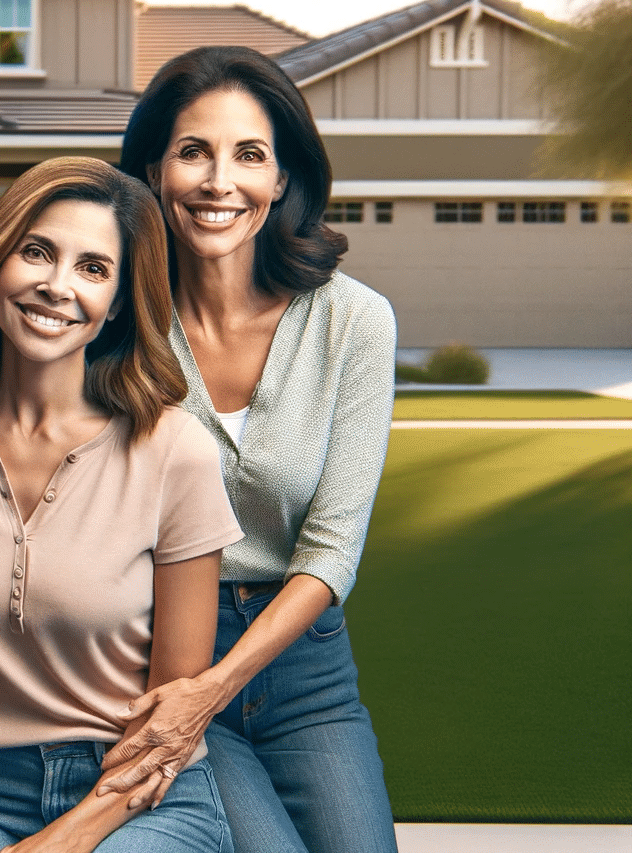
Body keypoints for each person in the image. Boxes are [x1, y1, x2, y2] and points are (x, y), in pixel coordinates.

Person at [95, 46, 399, 853]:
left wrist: (220, 686)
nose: (218, 181)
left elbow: (332, 551)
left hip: (304, 669)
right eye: (193, 152)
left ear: (283, 179)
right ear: (154, 172)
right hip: (158, 656)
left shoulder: (353, 322)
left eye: (249, 155)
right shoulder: (114, 320)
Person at [0, 157, 243, 853]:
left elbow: (172, 714)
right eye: (37, 252)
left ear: (116, 302)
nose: (57, 286)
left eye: (92, 268)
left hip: (139, 796)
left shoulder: (176, 451)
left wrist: (61, 842)